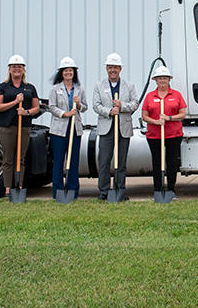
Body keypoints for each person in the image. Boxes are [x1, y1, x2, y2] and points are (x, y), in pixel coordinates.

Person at [92, 53, 139, 201]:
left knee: (121, 161)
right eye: (110, 67)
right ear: (106, 69)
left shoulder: (129, 86)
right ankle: (104, 191)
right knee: (104, 161)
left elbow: (135, 104)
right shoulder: (99, 86)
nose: (113, 70)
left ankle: (120, 190)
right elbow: (96, 105)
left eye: (116, 67)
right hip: (107, 128)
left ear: (120, 69)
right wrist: (109, 112)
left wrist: (122, 106)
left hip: (123, 129)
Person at [0, 55, 40, 196]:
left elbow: (36, 108)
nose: (17, 69)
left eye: (19, 67)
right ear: (9, 69)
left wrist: (26, 112)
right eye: (14, 67)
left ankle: (19, 187)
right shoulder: (3, 87)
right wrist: (15, 102)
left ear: (23, 70)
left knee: (20, 158)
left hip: (24, 126)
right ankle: (8, 188)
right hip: (7, 126)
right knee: (8, 158)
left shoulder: (29, 88)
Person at [141, 66, 187, 196]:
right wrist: (156, 121)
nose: (162, 80)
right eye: (160, 78)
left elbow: (182, 114)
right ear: (155, 80)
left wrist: (169, 118)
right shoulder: (150, 96)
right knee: (157, 163)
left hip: (174, 134)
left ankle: (171, 190)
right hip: (154, 136)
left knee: (171, 163)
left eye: (165, 78)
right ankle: (157, 190)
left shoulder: (176, 95)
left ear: (169, 80)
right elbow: (144, 116)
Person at [48, 57, 88, 200]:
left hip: (75, 129)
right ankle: (58, 190)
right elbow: (51, 107)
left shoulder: (79, 88)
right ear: (61, 72)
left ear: (74, 72)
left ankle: (73, 190)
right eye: (66, 70)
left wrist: (78, 105)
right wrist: (65, 114)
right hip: (59, 129)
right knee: (59, 161)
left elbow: (85, 107)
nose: (68, 73)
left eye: (70, 70)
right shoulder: (55, 89)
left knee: (73, 160)